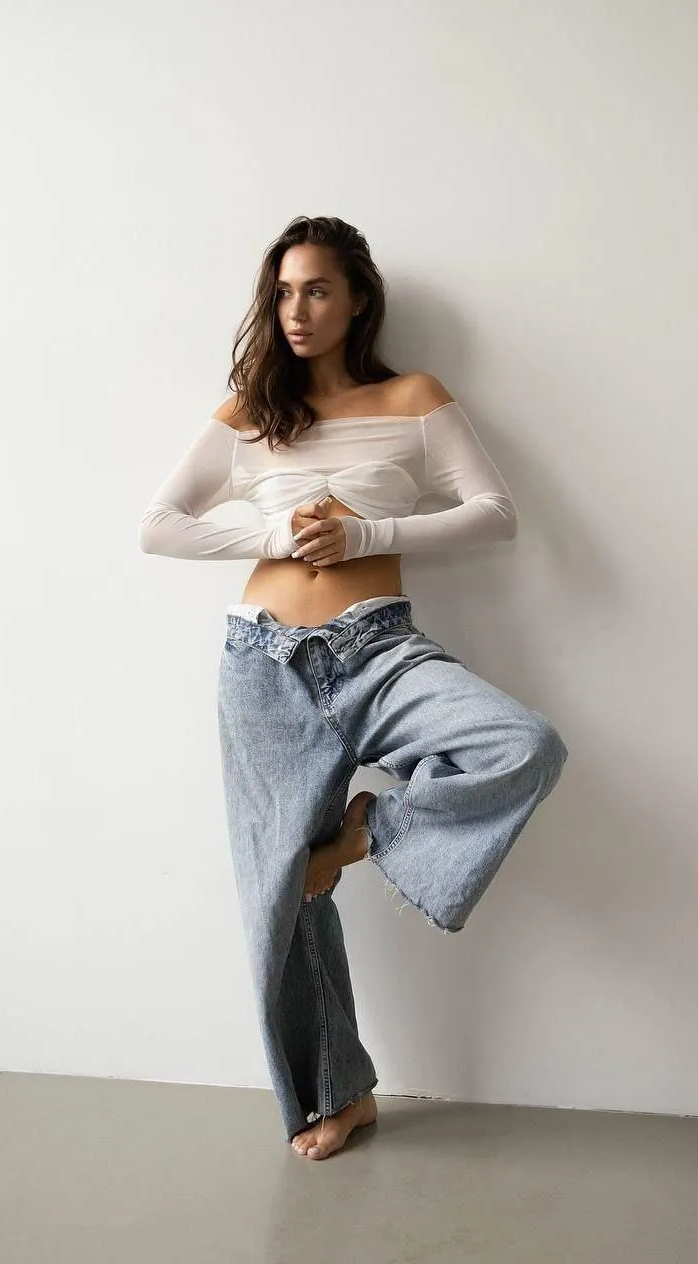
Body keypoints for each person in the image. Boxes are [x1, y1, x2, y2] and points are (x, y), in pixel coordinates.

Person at [139, 215, 569, 1161]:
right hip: (263, 663)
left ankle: (367, 833)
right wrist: (277, 535)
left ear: (358, 297)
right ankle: (343, 1094)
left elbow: (494, 513)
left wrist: (366, 536)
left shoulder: (412, 397)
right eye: (283, 293)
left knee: (522, 745)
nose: (295, 311)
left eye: (317, 290)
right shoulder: (251, 412)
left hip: (376, 649)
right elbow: (159, 524)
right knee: (280, 895)